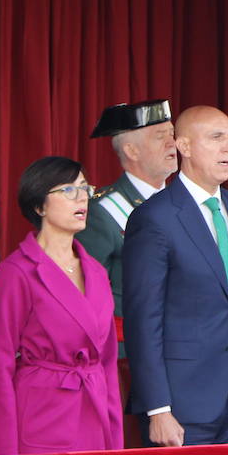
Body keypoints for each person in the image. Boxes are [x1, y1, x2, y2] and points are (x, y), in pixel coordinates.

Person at [122, 105, 228, 446]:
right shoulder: (155, 217)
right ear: (184, 147)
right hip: (181, 403)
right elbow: (143, 319)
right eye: (216, 137)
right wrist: (158, 408)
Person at [0, 157, 122, 455]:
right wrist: (3, 453)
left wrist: (114, 432)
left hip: (94, 415)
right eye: (69, 190)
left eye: (85, 189)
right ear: (39, 205)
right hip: (44, 415)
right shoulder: (17, 272)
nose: (82, 198)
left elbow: (108, 361)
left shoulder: (96, 271)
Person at [77, 99, 176, 318]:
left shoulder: (184, 203)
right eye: (161, 136)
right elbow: (88, 296)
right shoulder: (102, 213)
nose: (172, 143)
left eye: (172, 134)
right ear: (131, 150)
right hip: (128, 346)